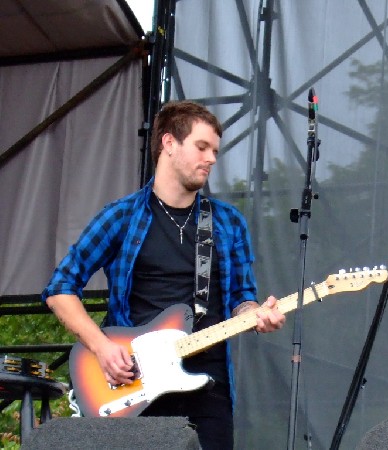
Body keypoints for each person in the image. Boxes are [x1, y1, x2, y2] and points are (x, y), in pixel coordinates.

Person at [42, 100, 286, 450]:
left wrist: (256, 313)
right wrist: (102, 347)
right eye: (202, 147)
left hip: (208, 385)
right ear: (169, 144)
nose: (212, 159)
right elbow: (60, 288)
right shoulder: (121, 217)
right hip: (134, 383)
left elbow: (241, 299)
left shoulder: (228, 223)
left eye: (215, 150)